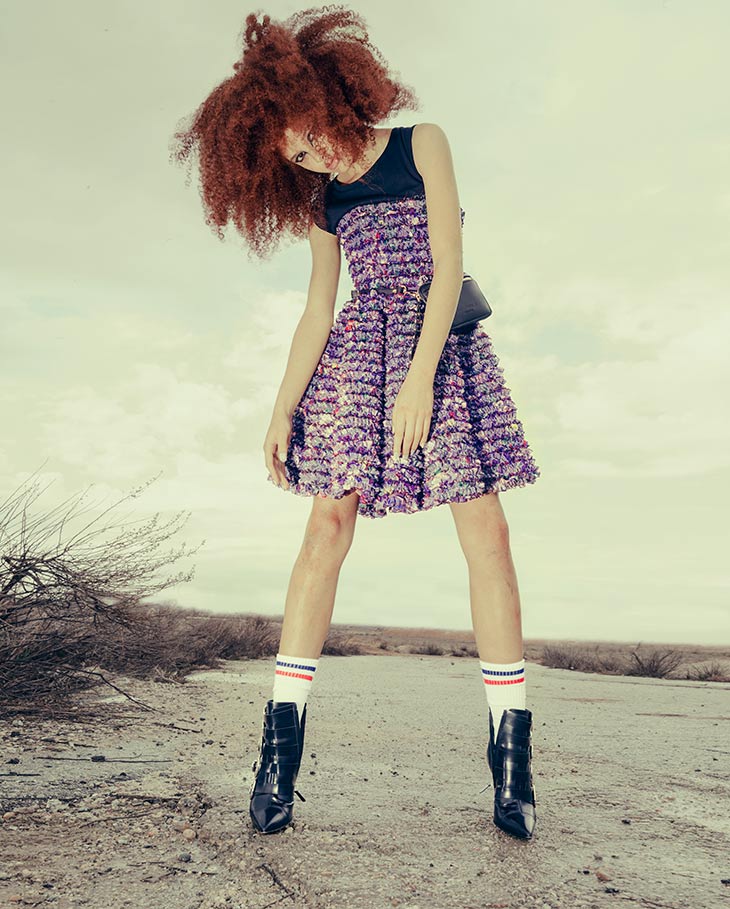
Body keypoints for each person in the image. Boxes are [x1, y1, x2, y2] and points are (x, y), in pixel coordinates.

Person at [169, 5, 540, 840]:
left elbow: (448, 266)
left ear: (326, 96)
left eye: (308, 136)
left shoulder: (422, 144)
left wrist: (419, 381)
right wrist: (282, 405)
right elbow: (317, 310)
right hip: (357, 357)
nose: (312, 157)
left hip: (438, 350)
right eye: (296, 157)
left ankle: (512, 765)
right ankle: (277, 758)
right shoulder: (323, 203)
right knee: (326, 526)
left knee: (487, 532)